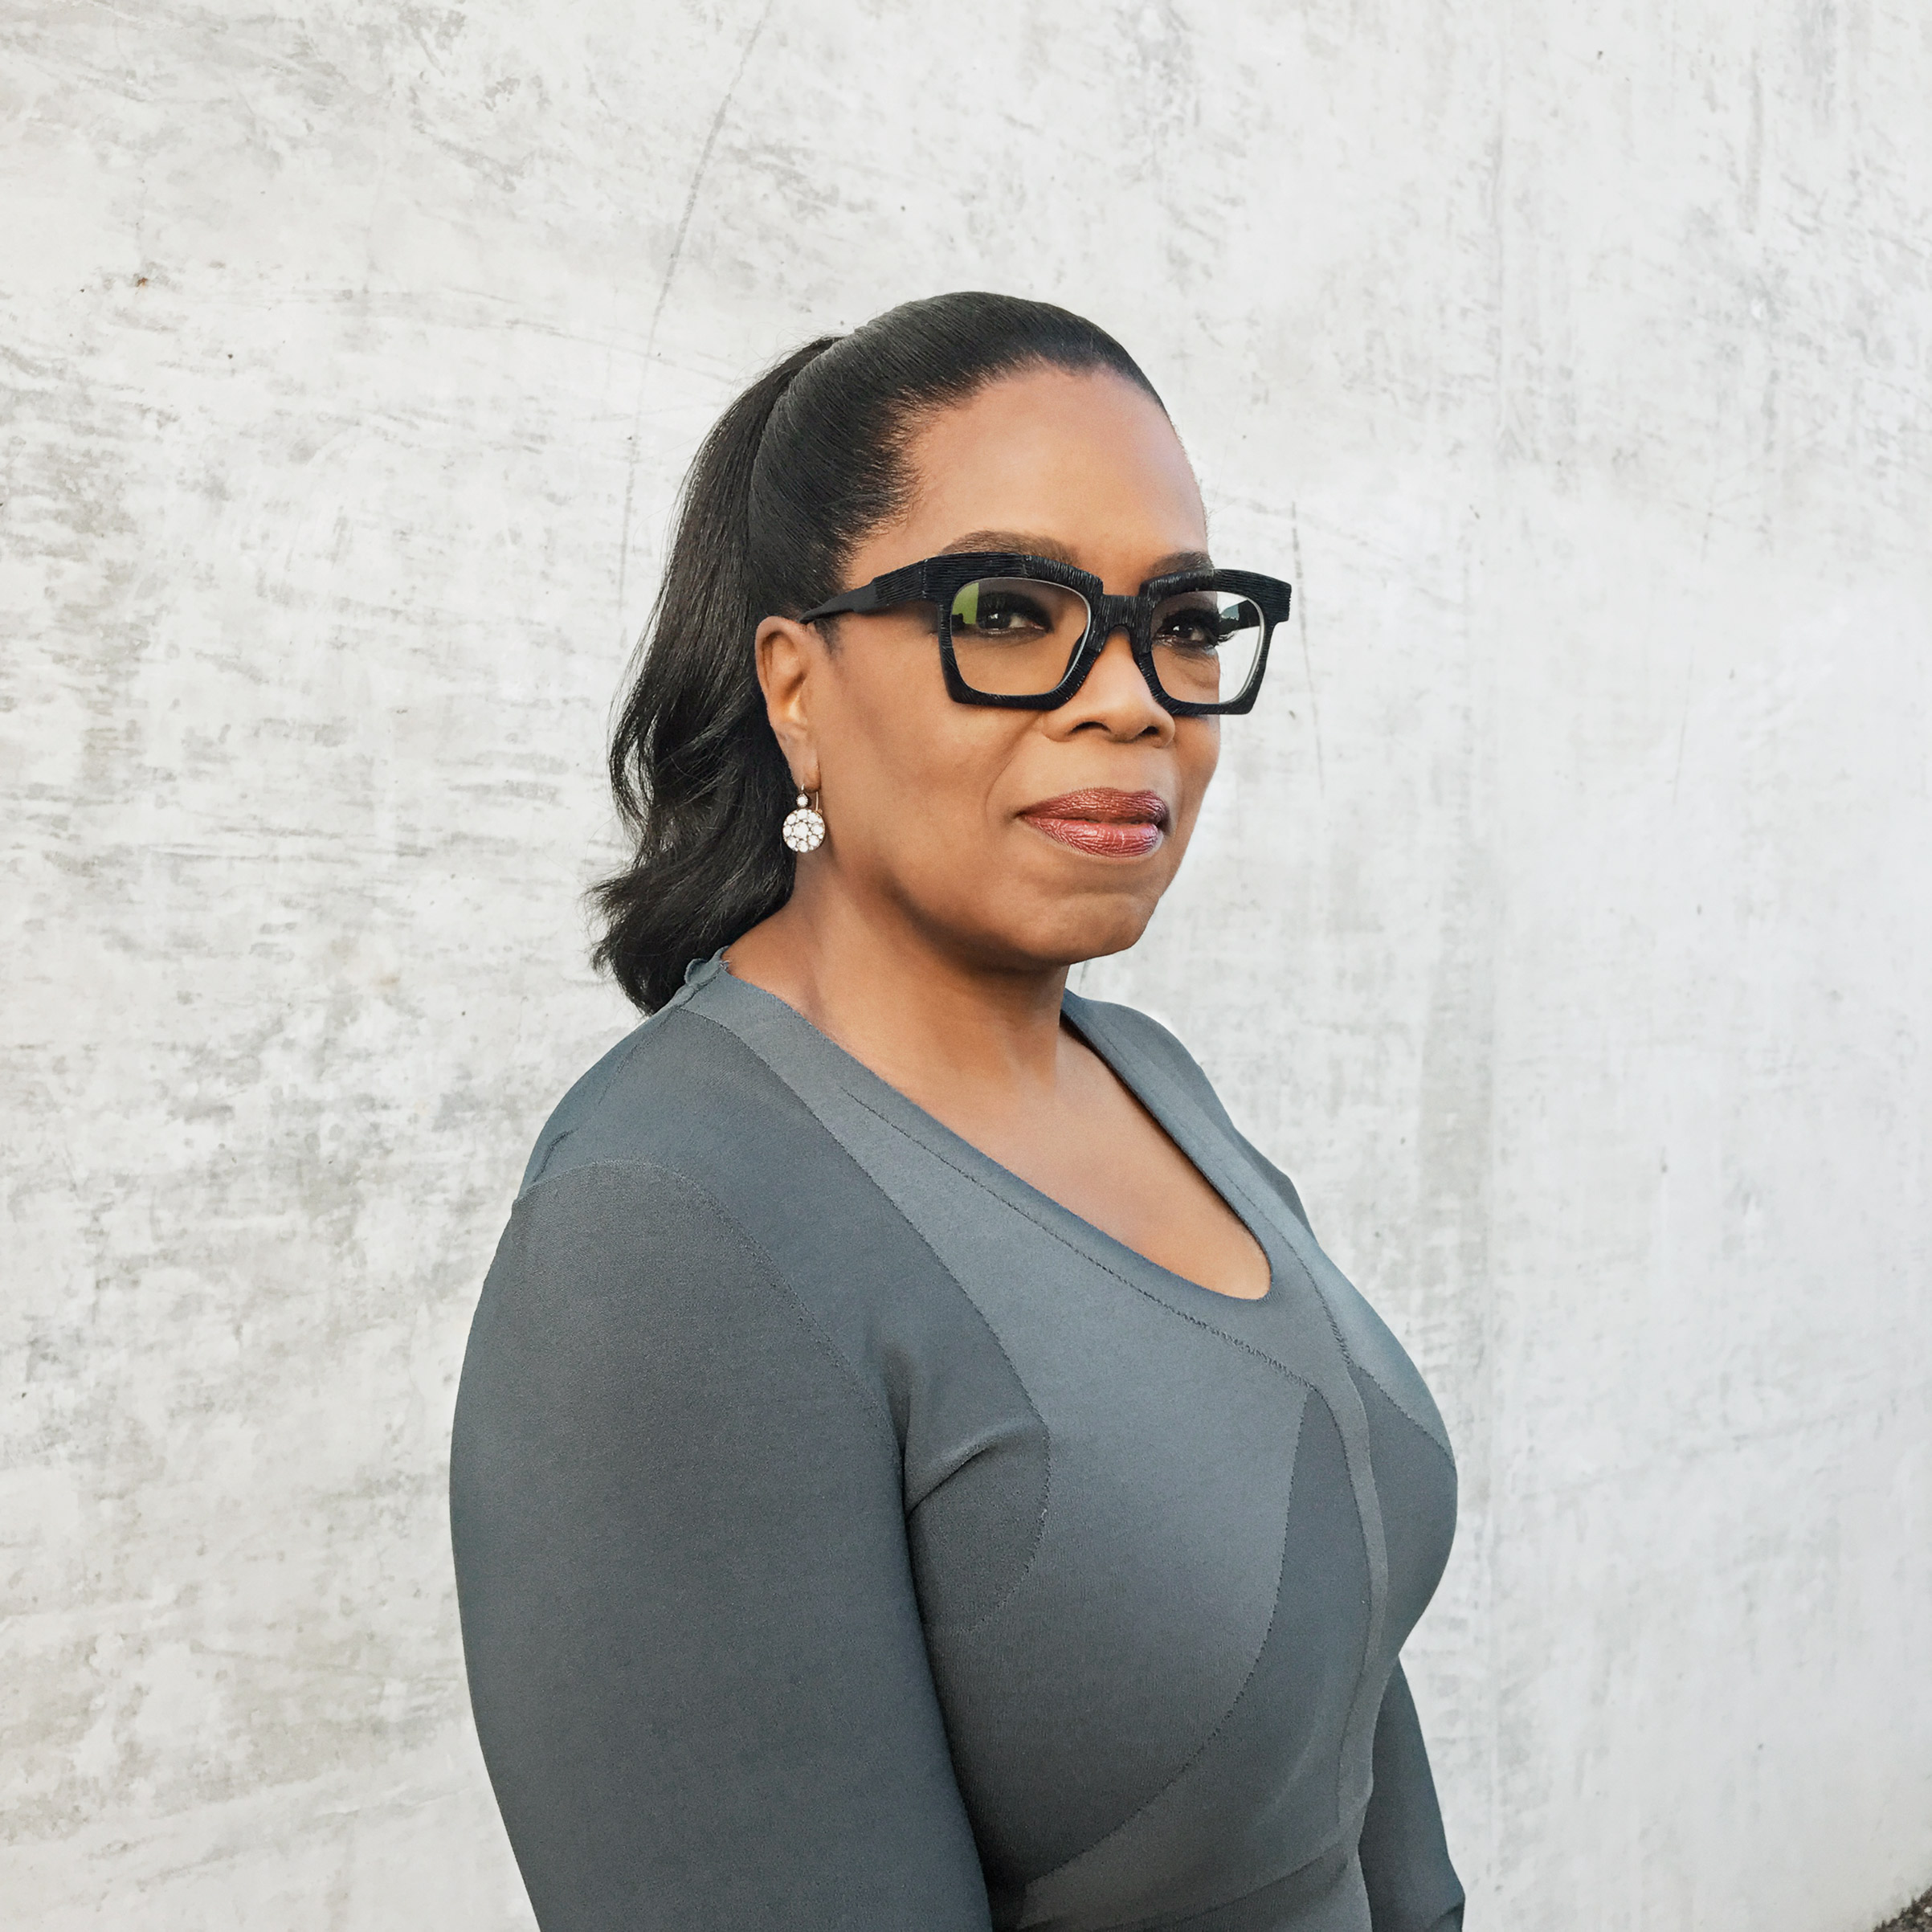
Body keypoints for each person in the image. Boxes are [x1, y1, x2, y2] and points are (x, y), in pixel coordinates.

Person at [449, 292, 1464, 1932]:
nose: (1133, 698)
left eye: (1185, 618)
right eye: (1008, 609)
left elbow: (1344, 1713)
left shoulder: (1153, 1082)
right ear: (796, 687)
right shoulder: (668, 1229)